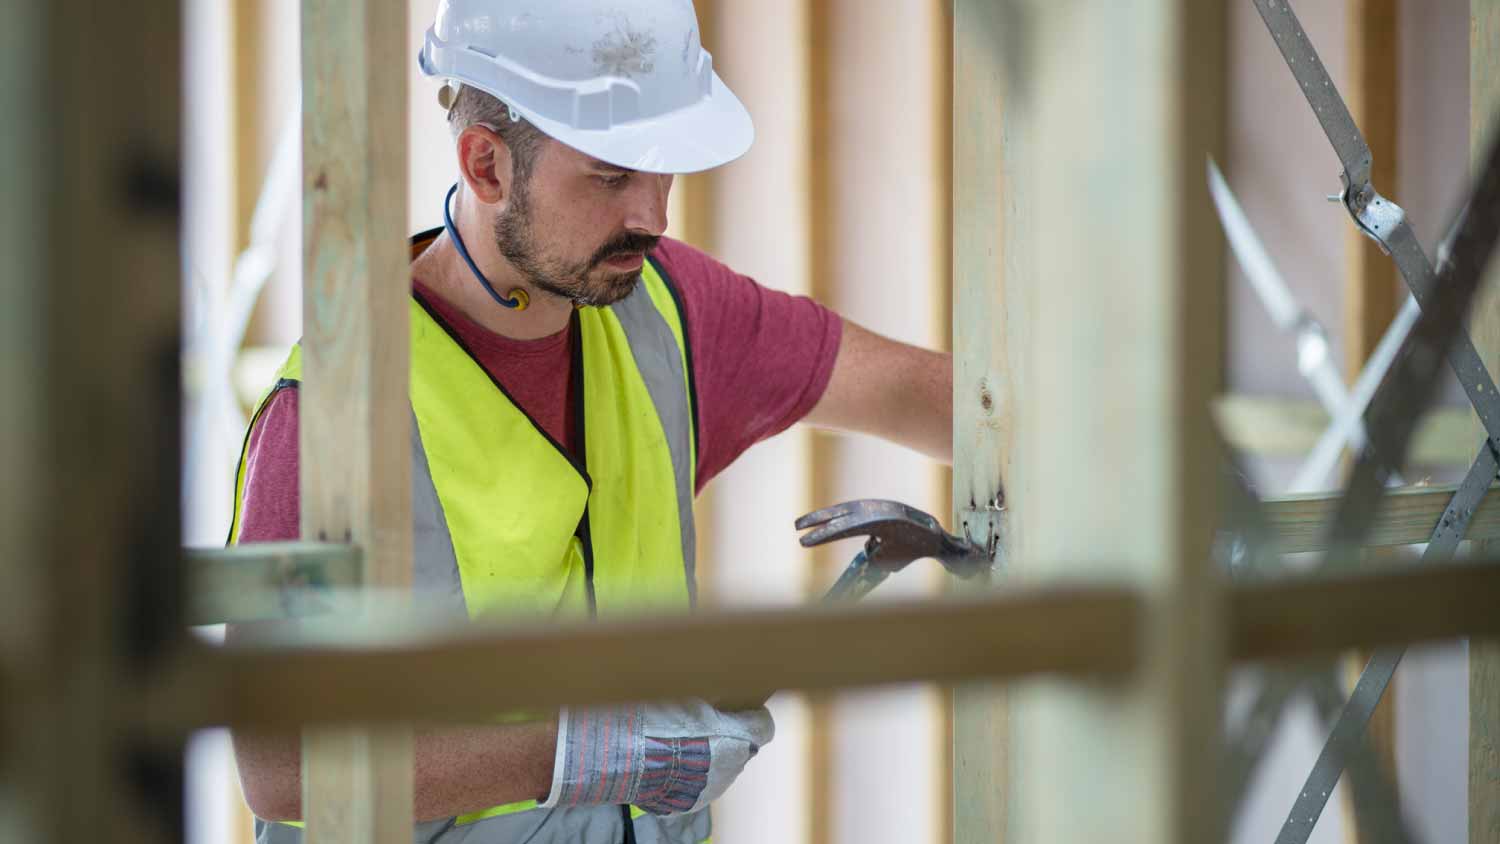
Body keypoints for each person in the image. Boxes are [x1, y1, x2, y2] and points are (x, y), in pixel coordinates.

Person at [226, 1, 952, 841]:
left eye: (665, 169)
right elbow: (278, 766)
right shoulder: (331, 415)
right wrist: (584, 755)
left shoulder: (665, 306)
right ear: (487, 164)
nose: (655, 216)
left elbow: (920, 394)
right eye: (612, 173)